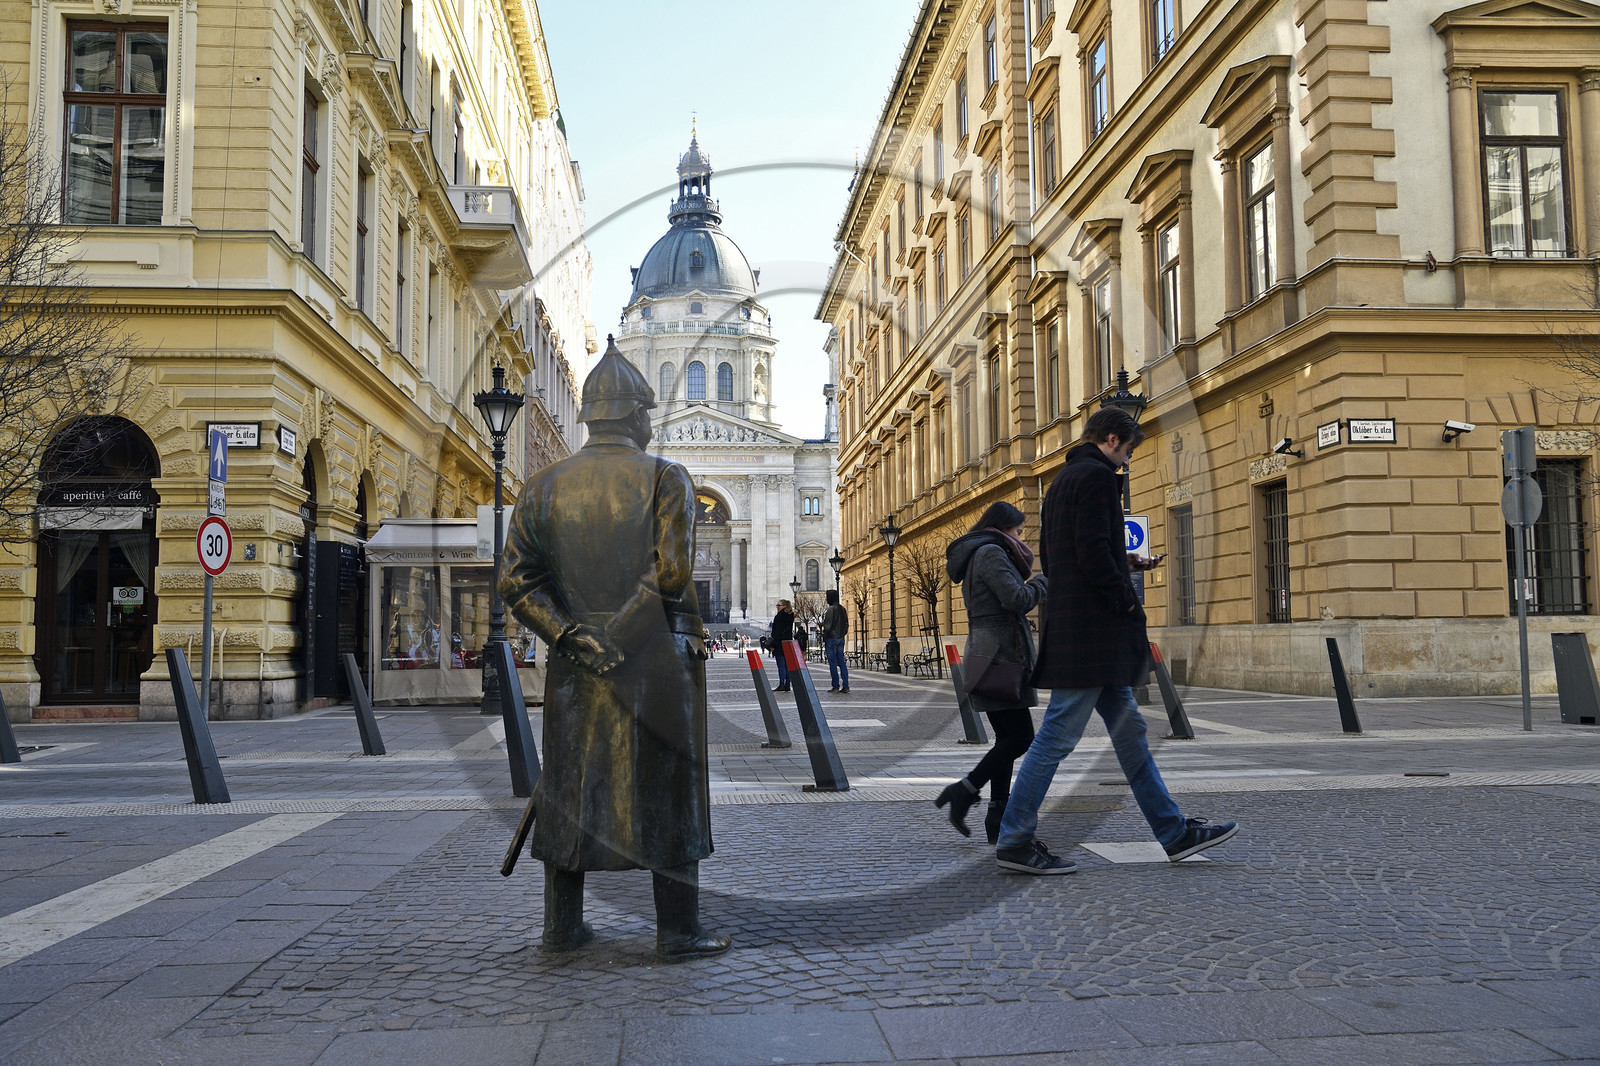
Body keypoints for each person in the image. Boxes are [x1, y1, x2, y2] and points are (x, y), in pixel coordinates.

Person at [500, 337, 730, 959]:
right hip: (656, 663)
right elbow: (673, 573)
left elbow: (516, 582)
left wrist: (575, 637)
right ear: (635, 415)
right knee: (668, 788)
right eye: (648, 413)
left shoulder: (541, 486)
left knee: (570, 784)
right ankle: (678, 930)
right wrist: (618, 637)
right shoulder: (665, 477)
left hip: (573, 664)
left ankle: (561, 926)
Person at [994, 408, 1238, 874]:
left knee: (1131, 736)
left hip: (1080, 629)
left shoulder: (1063, 482)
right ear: (1111, 439)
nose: (1126, 462)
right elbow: (1089, 554)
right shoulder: (1099, 478)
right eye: (1126, 451)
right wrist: (1124, 600)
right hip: (1093, 635)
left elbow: (1070, 553)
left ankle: (1173, 831)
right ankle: (1015, 839)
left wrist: (1126, 563)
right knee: (1056, 739)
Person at [937, 502, 1047, 844]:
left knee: (1009, 739)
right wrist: (1044, 582)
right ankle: (965, 791)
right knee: (1020, 738)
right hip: (1000, 655)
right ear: (1002, 527)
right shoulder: (991, 553)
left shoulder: (985, 551)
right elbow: (1015, 599)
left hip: (996, 651)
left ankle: (997, 813)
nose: (1020, 536)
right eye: (1017, 530)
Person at [821, 589, 850, 693]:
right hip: (841, 638)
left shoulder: (831, 609)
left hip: (832, 639)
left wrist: (825, 634)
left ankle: (835, 686)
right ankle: (846, 685)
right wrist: (842, 634)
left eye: (827, 597)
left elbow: (828, 626)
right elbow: (846, 624)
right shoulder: (843, 609)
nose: (826, 599)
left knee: (832, 663)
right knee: (842, 662)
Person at [770, 600, 796, 691]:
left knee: (781, 665)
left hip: (780, 644)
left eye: (779, 605)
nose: (777, 607)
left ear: (785, 606)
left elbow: (777, 632)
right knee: (787, 665)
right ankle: (787, 684)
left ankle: (781, 684)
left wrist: (773, 644)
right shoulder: (790, 615)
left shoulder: (779, 616)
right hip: (788, 642)